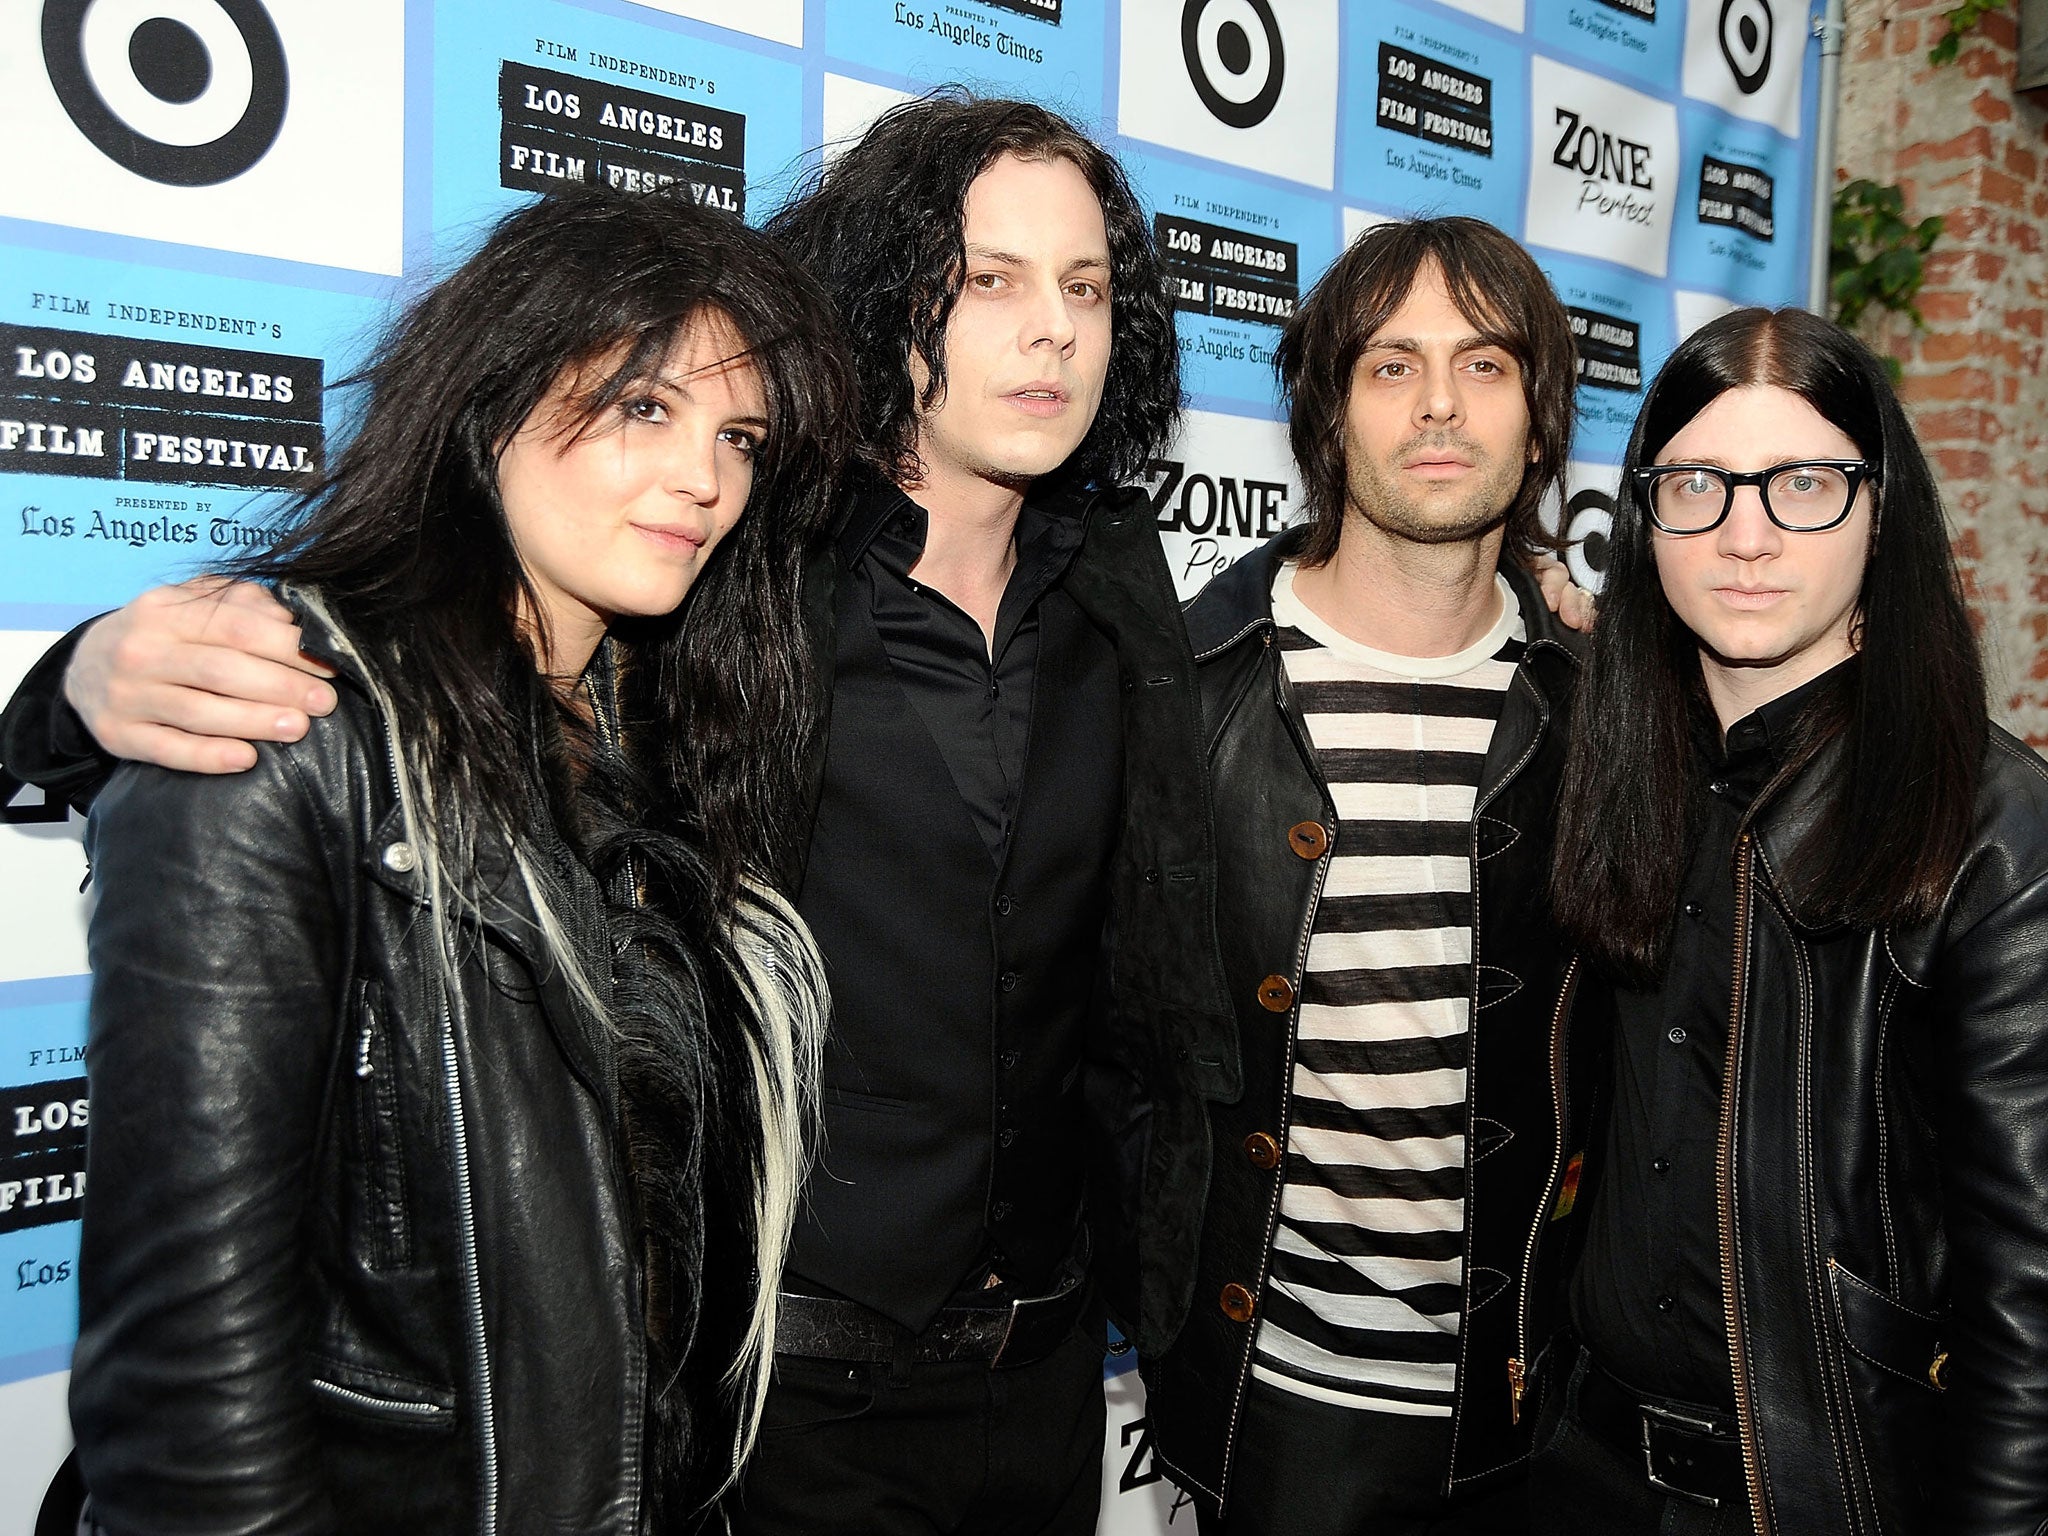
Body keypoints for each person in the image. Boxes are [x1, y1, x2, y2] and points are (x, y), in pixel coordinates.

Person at [2, 93, 1213, 1536]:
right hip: (778, 1409)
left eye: (1086, 287)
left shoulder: (1097, 597)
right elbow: (193, 1368)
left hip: (1011, 1384)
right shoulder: (740, 587)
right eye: (995, 277)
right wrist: (76, 684)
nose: (1055, 329)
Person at [51, 185, 854, 1534]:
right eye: (645, 408)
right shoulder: (284, 726)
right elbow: (188, 1377)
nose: (705, 479)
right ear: (493, 400)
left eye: (740, 437)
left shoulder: (673, 754)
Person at [1537, 305, 2048, 1533]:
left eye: (1803, 484)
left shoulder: (1989, 826)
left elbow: (2026, 1297)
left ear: (1880, 510)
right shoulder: (1615, 764)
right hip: (1575, 1469)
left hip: (1814, 1493)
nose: (1745, 535)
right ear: (1644, 515)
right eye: (1696, 485)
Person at [1130, 216, 1589, 1535]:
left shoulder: (1601, 714)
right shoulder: (1191, 692)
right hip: (1264, 1412)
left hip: (1517, 1417)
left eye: (1486, 365)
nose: (1439, 405)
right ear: (1329, 413)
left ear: (1540, 416)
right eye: (1391, 365)